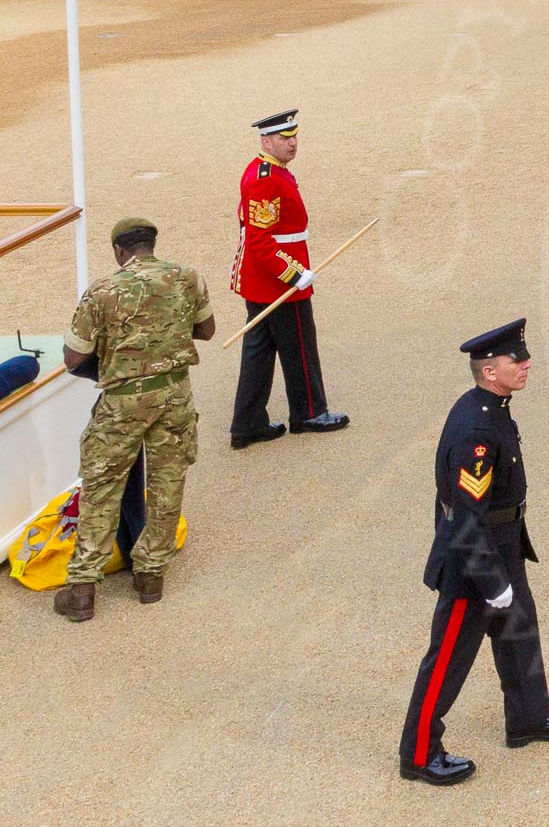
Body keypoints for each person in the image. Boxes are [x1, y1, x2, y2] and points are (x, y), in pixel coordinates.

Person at [398, 320, 549, 786]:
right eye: (515, 360)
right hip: (473, 560)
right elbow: (464, 514)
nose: (525, 364)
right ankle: (418, 753)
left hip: (502, 544)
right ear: (489, 371)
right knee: (447, 659)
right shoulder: (477, 427)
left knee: (520, 635)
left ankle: (528, 718)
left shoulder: (493, 407)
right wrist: (491, 580)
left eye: (523, 357)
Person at [50, 218, 213, 622]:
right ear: (152, 245)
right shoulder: (187, 277)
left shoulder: (103, 291)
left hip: (122, 402)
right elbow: (207, 330)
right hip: (174, 393)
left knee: (101, 487)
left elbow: (72, 358)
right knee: (167, 482)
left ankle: (83, 589)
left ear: (119, 251)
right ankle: (151, 576)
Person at [228, 109, 348, 449]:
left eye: (294, 136)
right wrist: (294, 274)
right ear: (267, 141)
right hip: (279, 281)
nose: (292, 143)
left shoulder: (268, 170)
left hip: (265, 279)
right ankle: (308, 411)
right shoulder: (267, 178)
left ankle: (247, 422)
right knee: (299, 348)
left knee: (259, 353)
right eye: (284, 138)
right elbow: (261, 242)